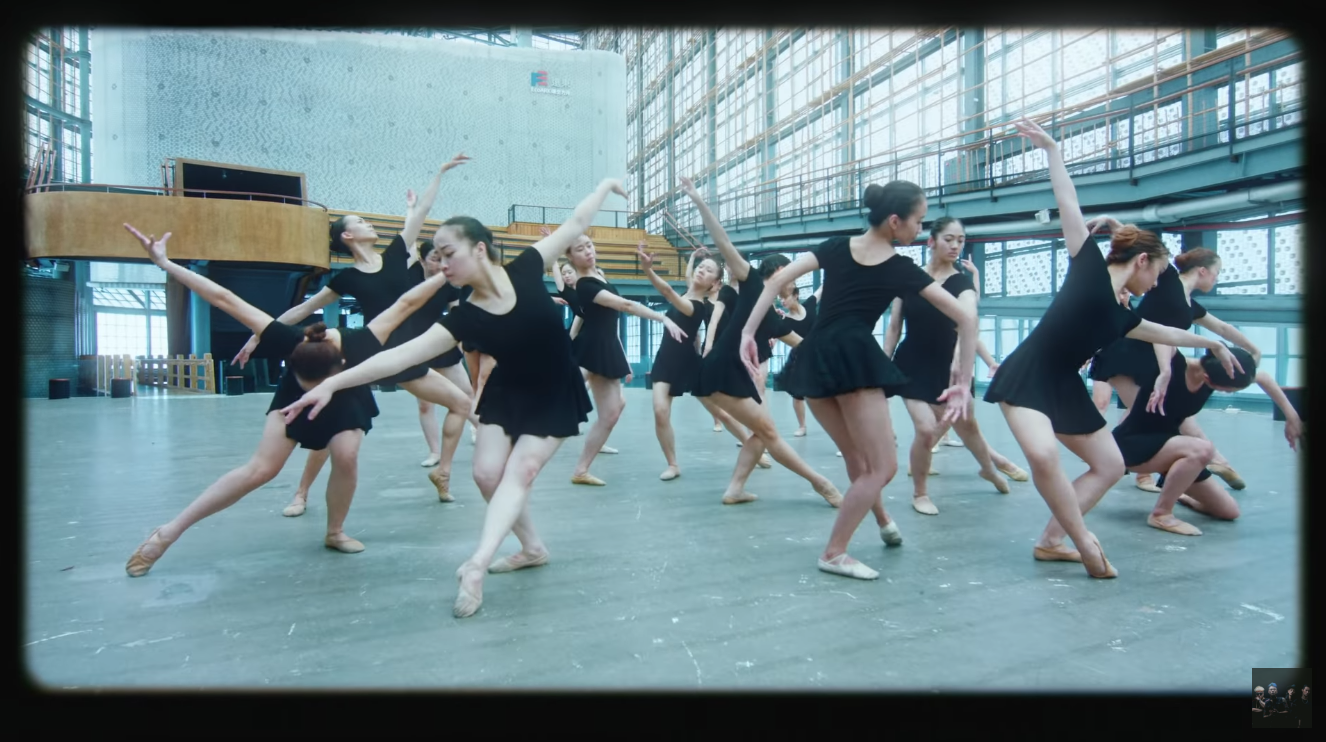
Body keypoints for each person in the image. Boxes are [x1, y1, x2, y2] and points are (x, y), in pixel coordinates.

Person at [280, 178, 625, 619]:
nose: (441, 264)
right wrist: (333, 383)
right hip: (507, 392)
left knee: (521, 470)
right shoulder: (464, 316)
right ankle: (532, 548)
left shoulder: (525, 267)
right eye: (437, 257)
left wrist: (604, 186)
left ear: (479, 249)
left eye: (448, 254)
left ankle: (476, 565)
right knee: (485, 475)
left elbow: (576, 221)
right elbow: (399, 356)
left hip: (555, 390)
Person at [981, 118, 1242, 579]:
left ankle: (1051, 541)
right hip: (1028, 375)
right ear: (1141, 261)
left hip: (1064, 385)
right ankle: (1083, 541)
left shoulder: (1124, 315)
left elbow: (1167, 334)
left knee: (1109, 463)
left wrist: (1210, 343)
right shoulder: (1086, 266)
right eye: (1156, 272)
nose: (1156, 283)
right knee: (1043, 455)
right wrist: (1053, 151)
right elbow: (1068, 201)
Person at [121, 223, 454, 575]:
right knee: (261, 469)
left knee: (346, 456)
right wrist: (166, 264)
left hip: (346, 394)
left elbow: (407, 303)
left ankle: (335, 531)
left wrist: (442, 275)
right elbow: (223, 297)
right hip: (290, 400)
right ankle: (168, 533)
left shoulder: (361, 343)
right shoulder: (287, 338)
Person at [741, 181, 976, 580]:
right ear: (895, 221)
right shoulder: (901, 268)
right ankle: (834, 552)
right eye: (919, 221)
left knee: (856, 458)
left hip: (814, 357)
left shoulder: (836, 246)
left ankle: (883, 521)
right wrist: (964, 382)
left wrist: (749, 332)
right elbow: (966, 319)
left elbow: (775, 282)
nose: (920, 229)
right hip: (852, 360)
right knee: (882, 467)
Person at [232, 155, 474, 510]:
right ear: (347, 236)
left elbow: (422, 210)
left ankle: (443, 472)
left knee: (462, 403)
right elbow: (302, 311)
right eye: (360, 222)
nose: (368, 223)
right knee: (330, 432)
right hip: (364, 356)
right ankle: (301, 493)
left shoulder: (396, 255)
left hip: (404, 359)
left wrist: (439, 173)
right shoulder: (347, 278)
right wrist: (259, 334)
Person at [682, 176, 843, 507]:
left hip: (735, 375)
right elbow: (723, 241)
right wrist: (698, 201)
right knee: (769, 434)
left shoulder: (771, 314)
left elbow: (801, 343)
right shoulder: (752, 281)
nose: (795, 279)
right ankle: (822, 484)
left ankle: (736, 489)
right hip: (722, 372)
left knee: (761, 433)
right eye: (792, 272)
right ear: (779, 271)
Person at [883, 216, 1030, 515]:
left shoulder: (961, 283)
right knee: (926, 429)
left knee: (968, 427)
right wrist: (882, 363)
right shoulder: (910, 278)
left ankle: (988, 469)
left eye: (960, 241)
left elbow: (969, 320)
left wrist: (960, 361)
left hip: (949, 369)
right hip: (911, 364)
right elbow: (894, 325)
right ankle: (920, 493)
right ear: (931, 241)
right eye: (949, 239)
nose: (955, 246)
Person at [1091, 246, 1261, 493]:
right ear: (1202, 270)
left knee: (1159, 415)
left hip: (1152, 362)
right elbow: (1146, 245)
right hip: (1125, 355)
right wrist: (1117, 229)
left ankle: (1195, 465)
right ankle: (1205, 463)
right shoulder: (1168, 281)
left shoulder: (1190, 305)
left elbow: (1223, 329)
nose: (1217, 279)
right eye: (1216, 272)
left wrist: (1253, 349)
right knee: (1156, 416)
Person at [1114, 347, 1300, 534]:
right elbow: (1163, 339)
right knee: (1203, 449)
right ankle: (1161, 514)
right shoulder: (1174, 366)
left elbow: (1263, 378)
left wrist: (1292, 417)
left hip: (1172, 449)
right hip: (1132, 445)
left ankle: (1180, 494)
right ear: (1208, 379)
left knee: (1229, 511)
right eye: (1227, 391)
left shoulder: (1222, 371)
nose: (1227, 394)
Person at [565, 233, 686, 486]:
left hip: (606, 344)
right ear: (570, 257)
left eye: (589, 245)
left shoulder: (598, 275)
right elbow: (625, 306)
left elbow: (611, 322)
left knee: (616, 405)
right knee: (609, 413)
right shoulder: (585, 284)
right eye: (580, 249)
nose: (588, 251)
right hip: (596, 347)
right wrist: (662, 318)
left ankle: (580, 466)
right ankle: (580, 469)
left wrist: (646, 267)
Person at [637, 241, 745, 480]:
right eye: (700, 267)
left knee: (721, 412)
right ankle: (673, 464)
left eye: (709, 270)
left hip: (688, 363)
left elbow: (667, 292)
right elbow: (684, 282)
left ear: (714, 283)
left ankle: (752, 445)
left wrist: (647, 269)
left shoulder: (696, 306)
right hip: (665, 360)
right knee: (660, 411)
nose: (702, 270)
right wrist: (694, 259)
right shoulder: (688, 293)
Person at [771, 281, 822, 437]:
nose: (782, 301)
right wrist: (771, 341)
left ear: (796, 296)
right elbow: (775, 336)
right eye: (780, 298)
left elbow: (822, 289)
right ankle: (802, 426)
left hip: (819, 353)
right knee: (797, 394)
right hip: (799, 357)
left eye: (785, 297)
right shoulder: (785, 320)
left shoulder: (809, 305)